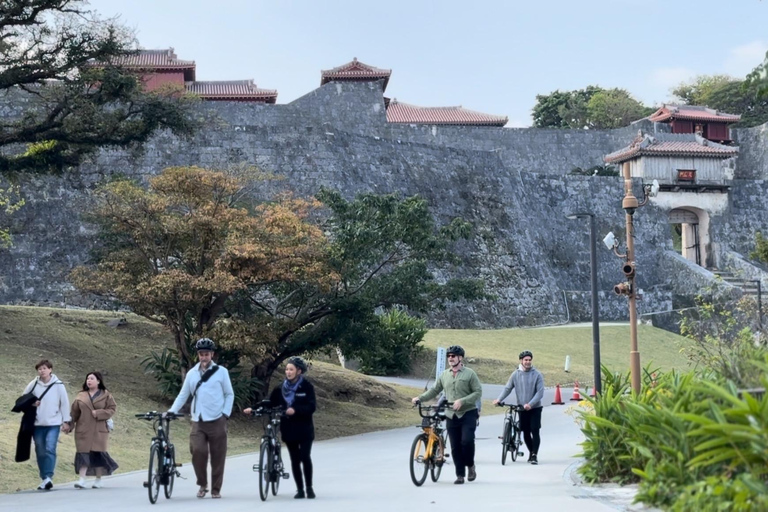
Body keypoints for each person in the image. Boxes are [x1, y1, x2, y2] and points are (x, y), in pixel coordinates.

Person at [168, 337, 234, 499]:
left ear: (212, 354)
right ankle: (202, 484)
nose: (204, 357)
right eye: (201, 354)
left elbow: (229, 394)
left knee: (218, 456)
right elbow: (183, 395)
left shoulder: (222, 372)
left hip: (217, 419)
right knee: (198, 451)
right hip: (198, 420)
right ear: (198, 355)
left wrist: (225, 414)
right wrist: (172, 411)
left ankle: (216, 489)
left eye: (206, 354)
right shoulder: (192, 373)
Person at [245, 356, 317, 499]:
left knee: (304, 457)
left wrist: (295, 410)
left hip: (304, 429)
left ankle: (309, 487)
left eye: (291, 369)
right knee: (295, 459)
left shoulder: (307, 387)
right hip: (288, 428)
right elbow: (270, 402)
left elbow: (311, 406)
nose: (288, 372)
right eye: (287, 369)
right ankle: (300, 490)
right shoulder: (280, 388)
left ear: (299, 371)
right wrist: (253, 409)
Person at [412, 345, 482, 484]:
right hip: (451, 414)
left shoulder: (470, 374)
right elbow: (434, 390)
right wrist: (420, 398)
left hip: (468, 412)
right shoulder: (444, 375)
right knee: (455, 446)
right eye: (449, 356)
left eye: (453, 356)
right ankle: (460, 475)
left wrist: (462, 401)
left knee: (467, 441)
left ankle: (470, 465)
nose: (450, 358)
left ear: (460, 358)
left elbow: (478, 392)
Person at [20, 359, 71, 490]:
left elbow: (64, 403)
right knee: (40, 450)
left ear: (50, 369)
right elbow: (23, 399)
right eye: (39, 369)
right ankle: (44, 478)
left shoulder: (58, 385)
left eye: (44, 368)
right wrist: (32, 403)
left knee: (50, 447)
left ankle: (48, 476)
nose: (42, 371)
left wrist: (66, 421)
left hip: (53, 422)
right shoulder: (34, 384)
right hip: (37, 423)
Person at [67, 371, 118, 488]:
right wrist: (69, 424)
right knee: (83, 454)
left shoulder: (106, 395)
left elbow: (112, 409)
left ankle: (98, 479)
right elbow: (74, 412)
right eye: (87, 379)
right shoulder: (81, 396)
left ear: (98, 381)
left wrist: (99, 413)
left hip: (99, 430)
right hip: (83, 429)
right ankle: (81, 479)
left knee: (98, 454)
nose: (89, 381)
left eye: (92, 378)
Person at [493, 350, 545, 464]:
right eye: (526, 360)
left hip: (535, 408)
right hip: (522, 408)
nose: (528, 362)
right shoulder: (515, 374)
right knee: (525, 431)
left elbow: (540, 393)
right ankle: (531, 452)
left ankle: (534, 455)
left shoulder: (537, 374)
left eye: (529, 360)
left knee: (534, 430)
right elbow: (508, 388)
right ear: (521, 361)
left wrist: (530, 404)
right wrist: (499, 399)